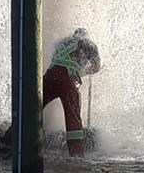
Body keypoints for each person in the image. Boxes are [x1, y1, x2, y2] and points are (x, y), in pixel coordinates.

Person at [43, 28, 101, 156]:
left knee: (33, 106)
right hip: (69, 79)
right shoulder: (90, 45)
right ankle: (76, 155)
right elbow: (96, 67)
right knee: (73, 117)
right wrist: (83, 71)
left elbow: (57, 59)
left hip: (50, 75)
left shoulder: (63, 42)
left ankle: (12, 139)